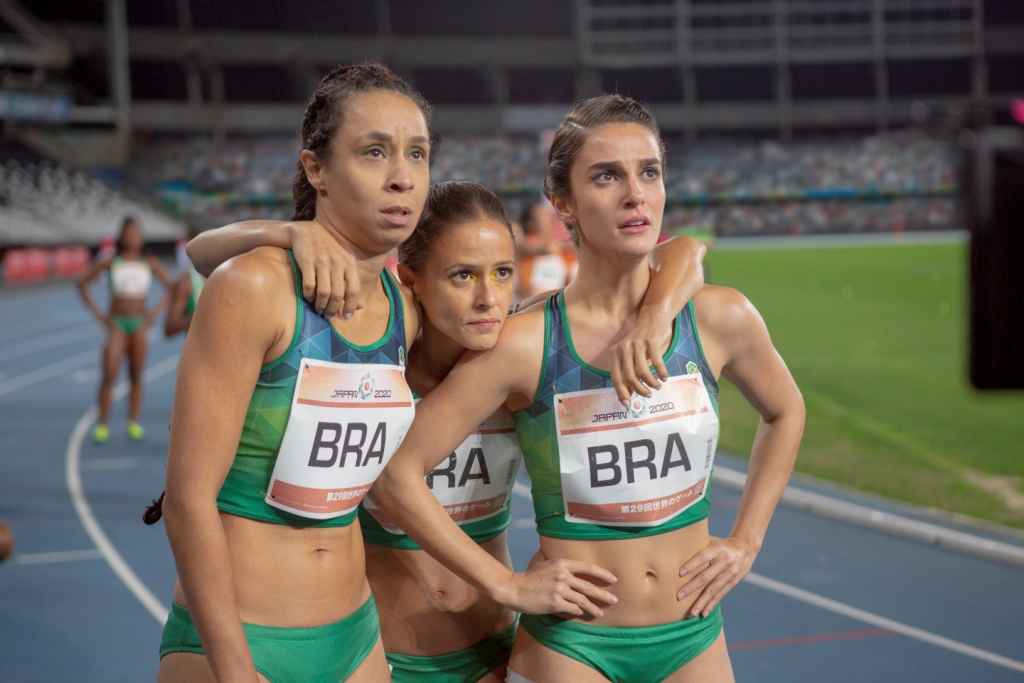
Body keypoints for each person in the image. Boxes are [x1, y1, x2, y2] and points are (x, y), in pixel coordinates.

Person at [158, 62, 620, 683]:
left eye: (418, 155)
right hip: (244, 638)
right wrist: (237, 672)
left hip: (356, 643)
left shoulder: (402, 311)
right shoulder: (254, 288)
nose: (403, 178)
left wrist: (682, 265)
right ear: (316, 168)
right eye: (374, 153)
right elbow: (188, 502)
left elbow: (560, 313)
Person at [186, 176, 707, 683]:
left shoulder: (517, 356)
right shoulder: (378, 354)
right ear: (410, 280)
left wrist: (657, 314)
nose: (488, 299)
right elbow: (204, 253)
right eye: (462, 276)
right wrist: (290, 232)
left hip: (493, 648)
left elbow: (685, 250)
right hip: (382, 654)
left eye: (503, 273)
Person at [372, 94, 806, 683]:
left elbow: (786, 411)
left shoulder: (718, 318)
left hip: (694, 633)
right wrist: (505, 583)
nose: (635, 194)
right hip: (573, 645)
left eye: (648, 172)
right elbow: (398, 471)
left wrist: (747, 541)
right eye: (607, 176)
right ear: (563, 203)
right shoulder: (523, 343)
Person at [77, 217, 172, 443]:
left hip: (139, 324)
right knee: (109, 373)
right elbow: (82, 283)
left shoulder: (148, 262)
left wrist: (155, 314)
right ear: (122, 237)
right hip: (117, 323)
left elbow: (171, 288)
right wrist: (98, 313)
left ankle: (133, 423)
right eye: (128, 233)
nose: (132, 237)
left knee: (136, 374)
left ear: (142, 238)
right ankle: (102, 425)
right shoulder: (112, 261)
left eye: (136, 233)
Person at [515, 201, 576, 300]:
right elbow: (544, 247)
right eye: (543, 217)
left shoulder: (560, 250)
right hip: (531, 301)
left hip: (557, 302)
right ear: (530, 224)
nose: (549, 220)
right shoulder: (527, 243)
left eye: (549, 215)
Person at [164, 227, 207, 337]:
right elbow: (170, 328)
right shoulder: (186, 282)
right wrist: (198, 316)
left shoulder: (228, 275)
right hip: (199, 352)